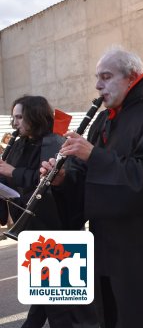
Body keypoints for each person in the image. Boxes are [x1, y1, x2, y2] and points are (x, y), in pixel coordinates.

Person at [41, 46, 143, 328]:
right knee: (113, 313)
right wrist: (63, 179)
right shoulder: (104, 119)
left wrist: (93, 155)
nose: (98, 85)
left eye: (106, 76)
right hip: (109, 244)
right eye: (97, 77)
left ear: (131, 77)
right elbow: (87, 178)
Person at [1, 96, 99, 327]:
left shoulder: (55, 143)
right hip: (34, 227)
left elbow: (52, 180)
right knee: (49, 291)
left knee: (61, 300)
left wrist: (13, 172)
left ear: (34, 117)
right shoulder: (19, 142)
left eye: (18, 117)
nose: (14, 124)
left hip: (56, 227)